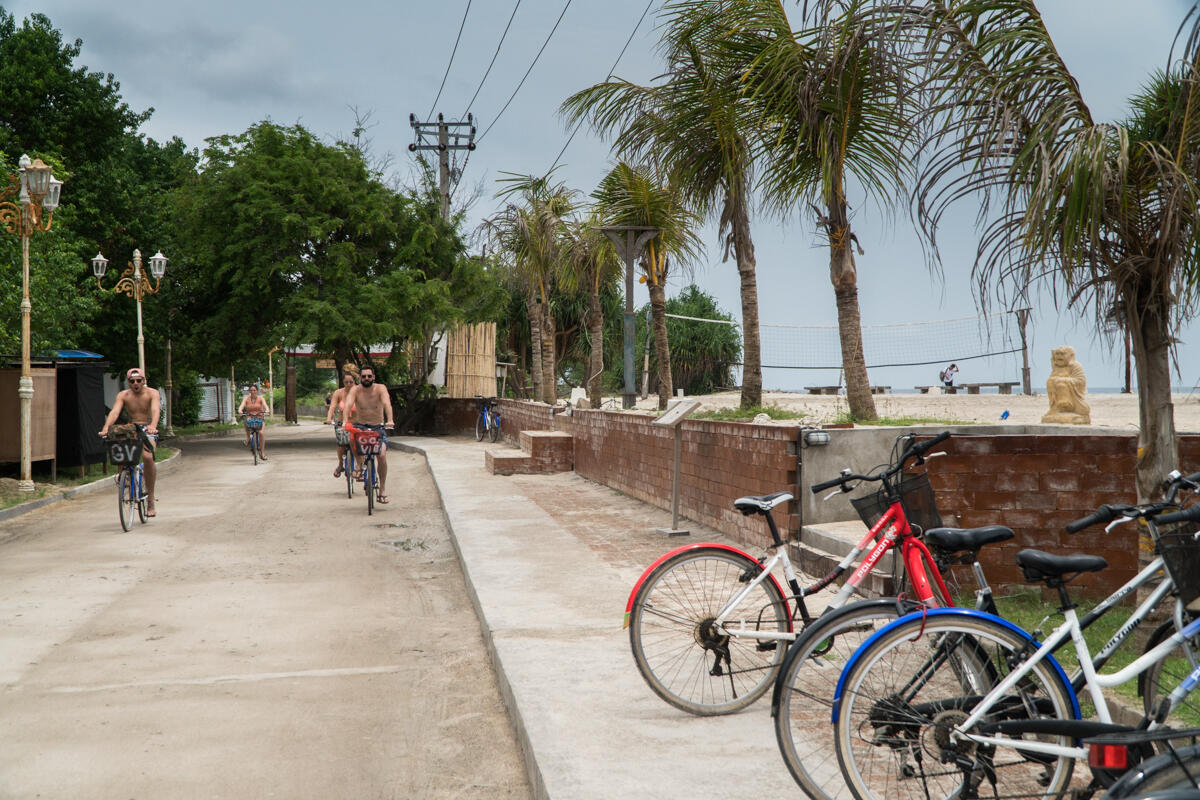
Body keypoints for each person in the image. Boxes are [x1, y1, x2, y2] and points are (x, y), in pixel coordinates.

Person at [98, 368, 162, 517]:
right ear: (128, 382)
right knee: (119, 446)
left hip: (147, 428)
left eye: (139, 380)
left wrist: (153, 426)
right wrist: (106, 427)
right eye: (132, 381)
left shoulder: (152, 393)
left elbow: (155, 410)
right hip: (131, 427)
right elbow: (115, 412)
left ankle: (150, 500)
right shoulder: (124, 395)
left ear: (144, 381)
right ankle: (124, 477)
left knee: (147, 457)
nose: (136, 383)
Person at [344, 365, 394, 504]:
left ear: (374, 377)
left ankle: (382, 489)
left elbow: (387, 403)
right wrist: (344, 421)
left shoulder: (380, 388)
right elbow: (348, 405)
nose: (366, 378)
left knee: (382, 455)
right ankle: (359, 465)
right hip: (360, 426)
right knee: (352, 438)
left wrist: (390, 420)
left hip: (378, 428)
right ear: (360, 378)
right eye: (364, 376)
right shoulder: (355, 389)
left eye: (369, 376)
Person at [323, 368, 359, 477]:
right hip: (342, 424)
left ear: (355, 382)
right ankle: (340, 464)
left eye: (351, 382)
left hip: (356, 424)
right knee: (341, 445)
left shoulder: (359, 392)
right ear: (343, 382)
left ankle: (359, 465)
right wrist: (329, 419)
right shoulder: (338, 393)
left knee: (357, 445)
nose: (348, 384)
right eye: (346, 382)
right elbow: (332, 407)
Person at [238, 384, 269, 459]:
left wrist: (267, 410)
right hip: (250, 417)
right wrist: (240, 410)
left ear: (257, 391)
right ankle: (248, 438)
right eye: (251, 390)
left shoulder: (261, 398)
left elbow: (266, 406)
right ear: (249, 391)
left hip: (259, 417)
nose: (253, 392)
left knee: (261, 433)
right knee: (245, 419)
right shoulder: (246, 398)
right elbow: (241, 406)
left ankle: (262, 453)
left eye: (254, 390)